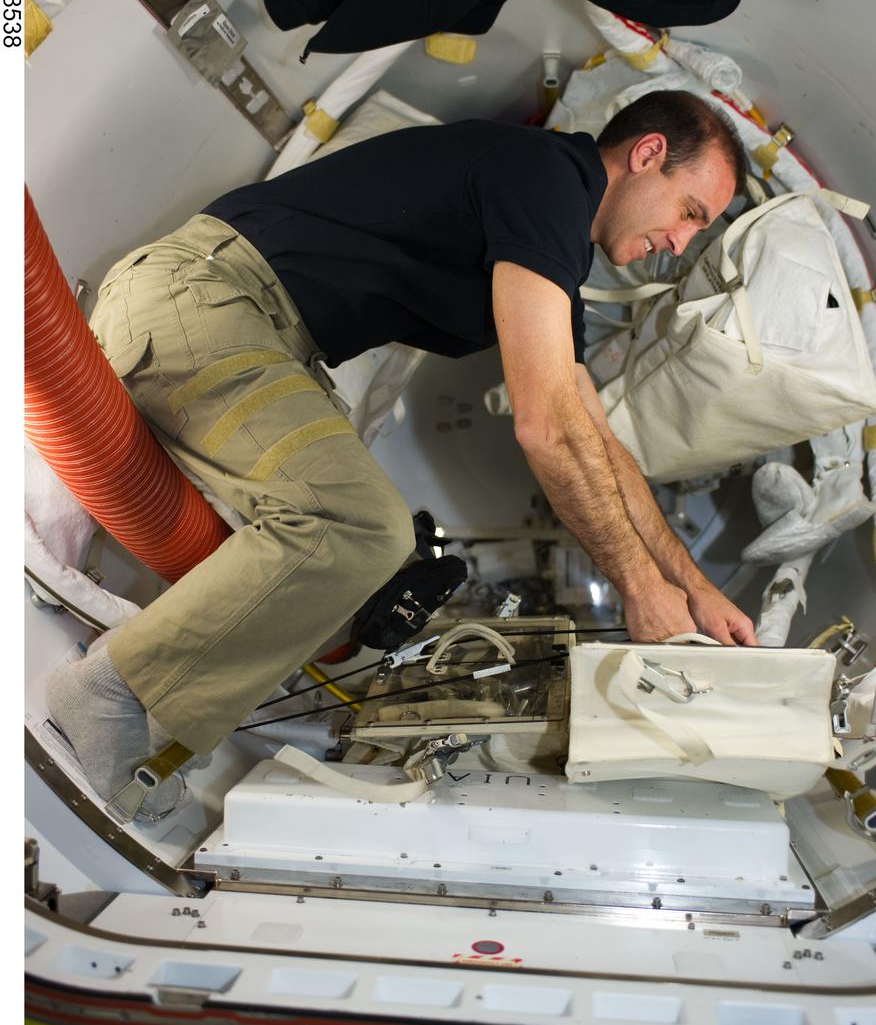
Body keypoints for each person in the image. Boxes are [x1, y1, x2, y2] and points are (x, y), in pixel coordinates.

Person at [47, 89, 757, 810]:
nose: (679, 243)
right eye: (690, 213)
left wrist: (693, 587)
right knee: (358, 527)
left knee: (363, 564)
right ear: (647, 155)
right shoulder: (546, 175)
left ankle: (157, 720)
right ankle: (109, 691)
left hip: (251, 330)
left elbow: (593, 436)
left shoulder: (555, 242)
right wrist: (640, 589)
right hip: (205, 297)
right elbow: (545, 427)